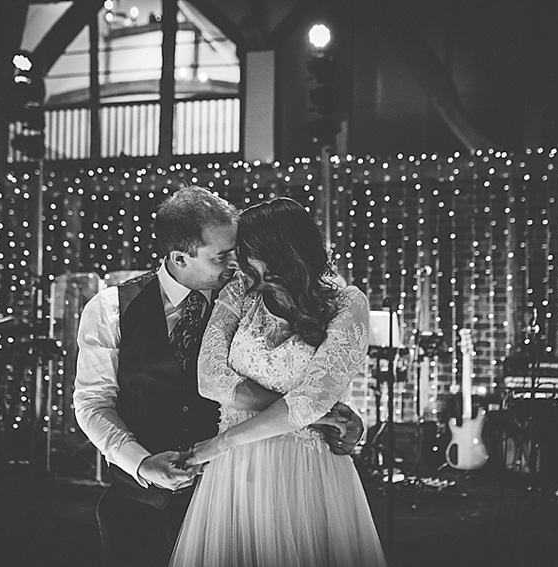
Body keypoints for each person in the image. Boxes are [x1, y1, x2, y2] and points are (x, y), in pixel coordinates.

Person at [74, 187, 363, 567]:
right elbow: (92, 403)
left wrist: (321, 411)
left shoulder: (250, 295)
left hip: (238, 493)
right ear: (180, 256)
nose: (236, 265)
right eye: (223, 256)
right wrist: (141, 463)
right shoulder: (110, 309)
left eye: (239, 252)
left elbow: (302, 369)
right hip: (139, 502)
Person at [169, 197, 388, 567]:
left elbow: (312, 400)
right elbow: (210, 379)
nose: (238, 261)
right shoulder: (239, 293)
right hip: (238, 474)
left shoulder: (346, 304)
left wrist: (219, 445)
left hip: (305, 469)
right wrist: (315, 416)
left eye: (247, 252)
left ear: (280, 252)